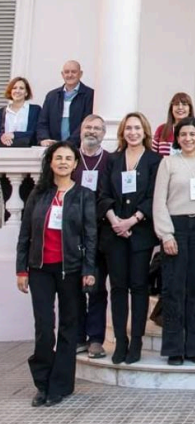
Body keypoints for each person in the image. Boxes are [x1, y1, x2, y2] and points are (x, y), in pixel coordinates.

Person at [16, 142, 97, 407]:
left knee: (68, 328)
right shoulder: (38, 194)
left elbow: (90, 235)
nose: (63, 162)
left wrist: (89, 270)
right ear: (50, 162)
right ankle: (42, 383)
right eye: (58, 157)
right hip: (40, 269)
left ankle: (60, 386)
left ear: (75, 164)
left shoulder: (84, 195)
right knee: (44, 329)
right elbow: (25, 234)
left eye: (68, 158)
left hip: (71, 270)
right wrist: (21, 269)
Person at [97, 112, 162, 364]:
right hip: (114, 234)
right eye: (128, 128)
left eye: (137, 128)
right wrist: (115, 221)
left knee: (138, 287)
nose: (132, 132)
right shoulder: (112, 160)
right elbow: (103, 194)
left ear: (144, 131)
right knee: (118, 288)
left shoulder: (155, 160)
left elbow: (154, 195)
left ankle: (136, 341)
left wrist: (132, 220)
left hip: (140, 233)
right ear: (122, 132)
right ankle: (120, 343)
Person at [152, 117, 195, 365]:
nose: (188, 139)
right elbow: (158, 201)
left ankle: (194, 347)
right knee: (174, 289)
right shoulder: (168, 163)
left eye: (193, 134)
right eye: (183, 134)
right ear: (177, 138)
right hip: (176, 227)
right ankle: (174, 348)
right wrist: (166, 234)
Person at [72, 115, 109, 359]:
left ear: (103, 133)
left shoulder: (110, 160)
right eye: (88, 127)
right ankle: (76, 337)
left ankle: (96, 338)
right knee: (73, 287)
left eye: (97, 128)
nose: (92, 132)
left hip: (100, 231)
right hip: (73, 232)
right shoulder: (70, 158)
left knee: (96, 286)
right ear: (81, 130)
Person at [37, 60, 94, 146]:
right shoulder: (52, 96)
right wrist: (45, 139)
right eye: (66, 72)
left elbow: (87, 122)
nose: (70, 75)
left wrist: (69, 143)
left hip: (79, 147)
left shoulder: (90, 95)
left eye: (74, 72)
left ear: (80, 74)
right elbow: (42, 122)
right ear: (62, 74)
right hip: (53, 148)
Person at [0, 76, 41, 147]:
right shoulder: (2, 112)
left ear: (26, 92)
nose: (17, 91)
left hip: (27, 152)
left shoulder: (35, 110)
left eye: (21, 88)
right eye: (14, 88)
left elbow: (36, 132)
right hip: (4, 152)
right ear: (10, 91)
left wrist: (14, 134)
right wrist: (3, 137)